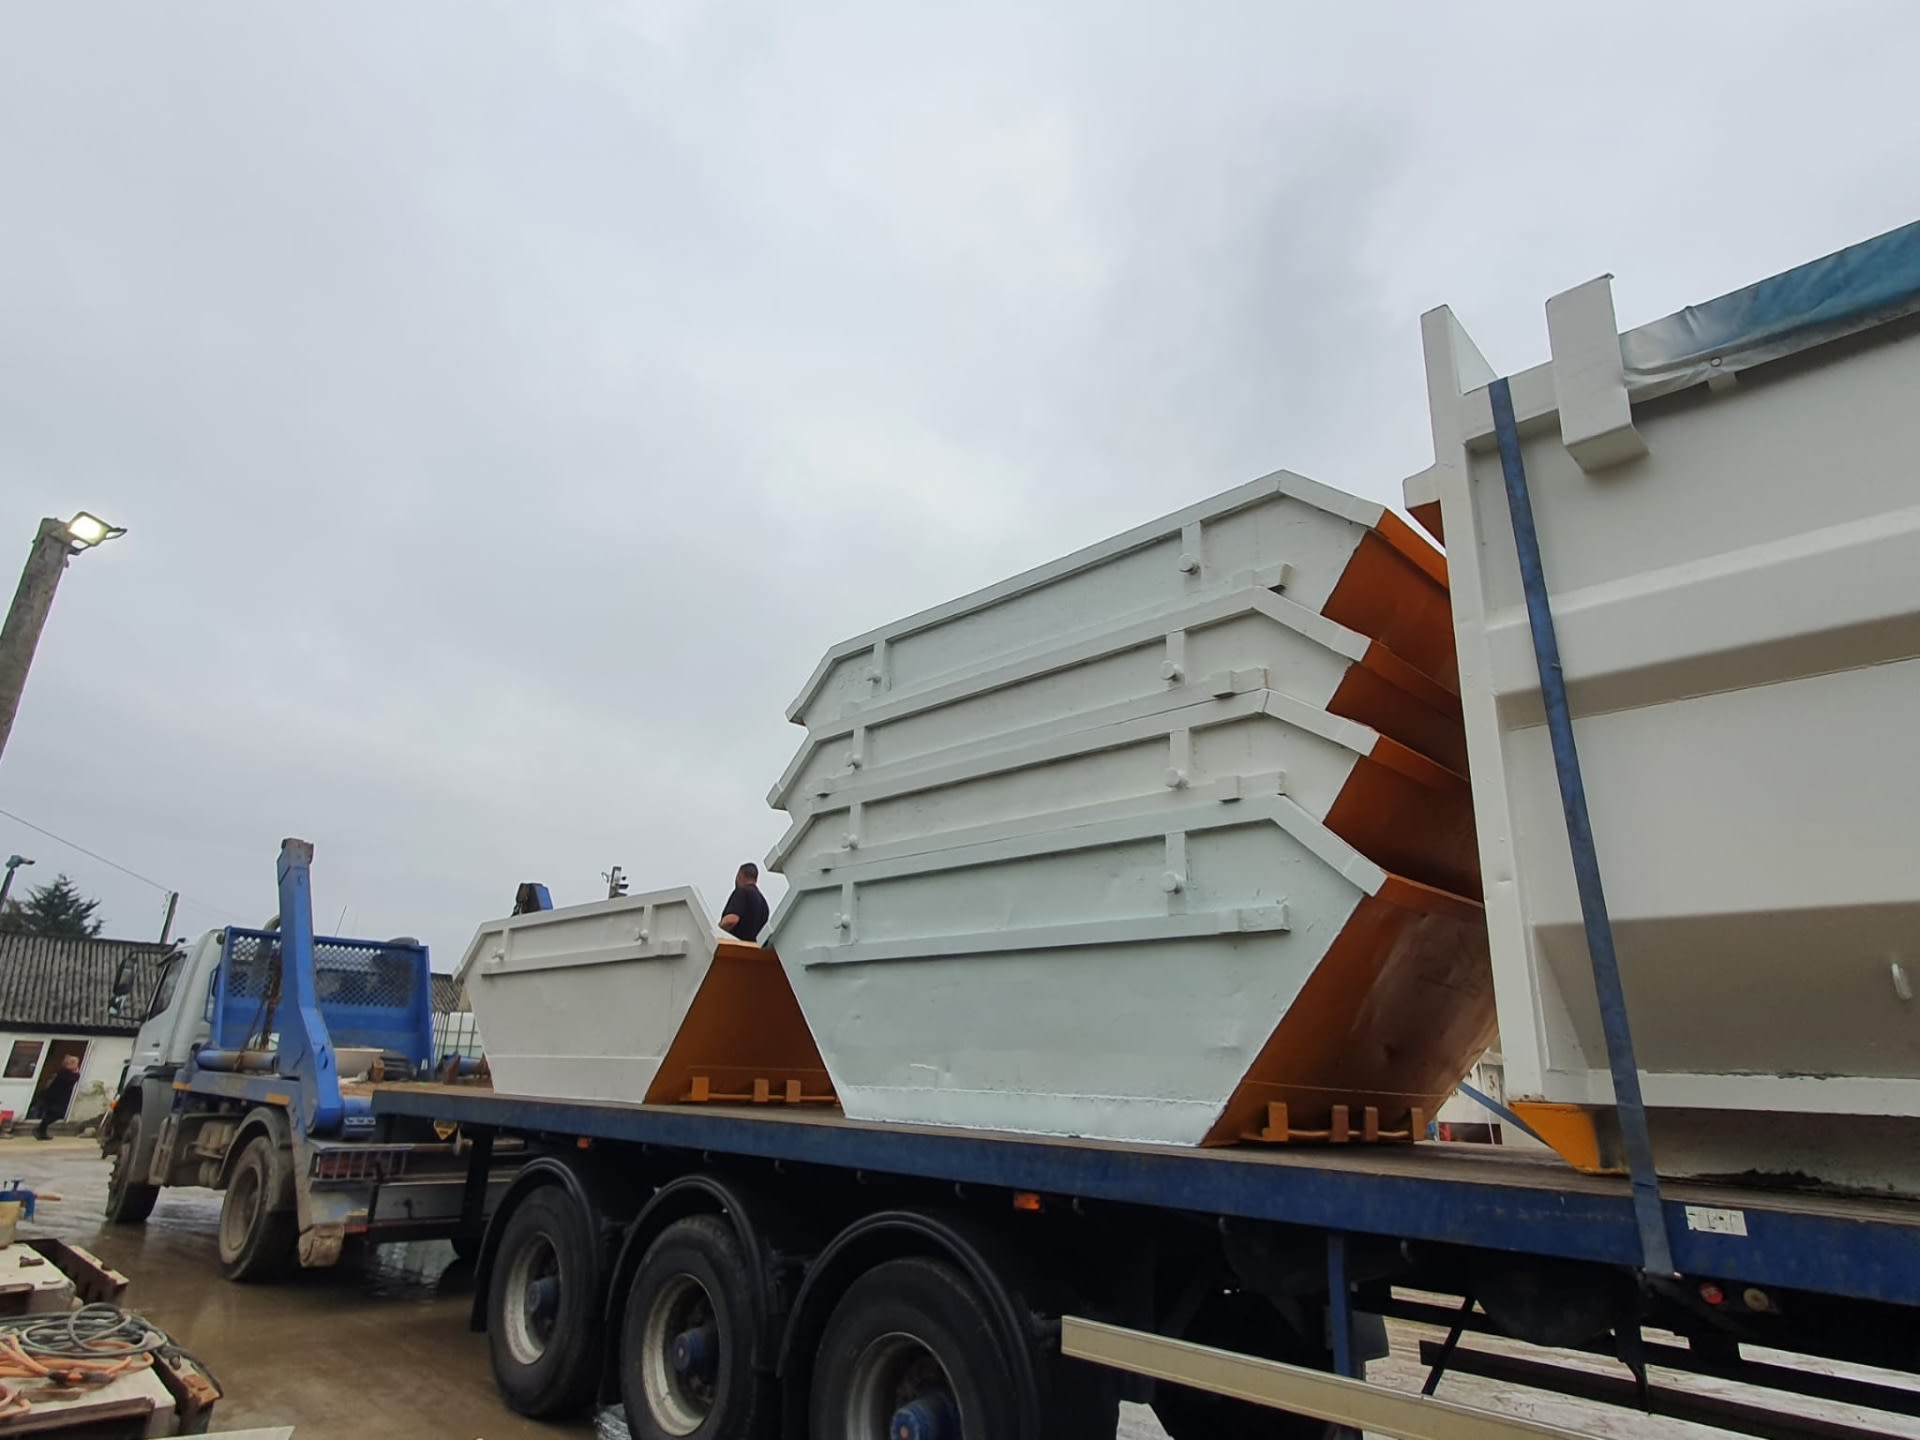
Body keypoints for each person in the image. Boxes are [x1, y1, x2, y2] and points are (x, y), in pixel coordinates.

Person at [719, 863, 770, 944]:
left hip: (734, 949)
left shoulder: (742, 892)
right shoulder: (764, 903)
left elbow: (731, 920)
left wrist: (717, 931)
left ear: (740, 875)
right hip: (751, 952)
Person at [34, 1054, 81, 1141]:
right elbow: (71, 1081)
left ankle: (41, 1131)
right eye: (76, 1064)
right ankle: (40, 1130)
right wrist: (77, 1074)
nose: (77, 1066)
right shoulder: (64, 1072)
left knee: (53, 1114)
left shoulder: (66, 1072)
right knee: (57, 1113)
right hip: (55, 1097)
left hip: (56, 1097)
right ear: (70, 1064)